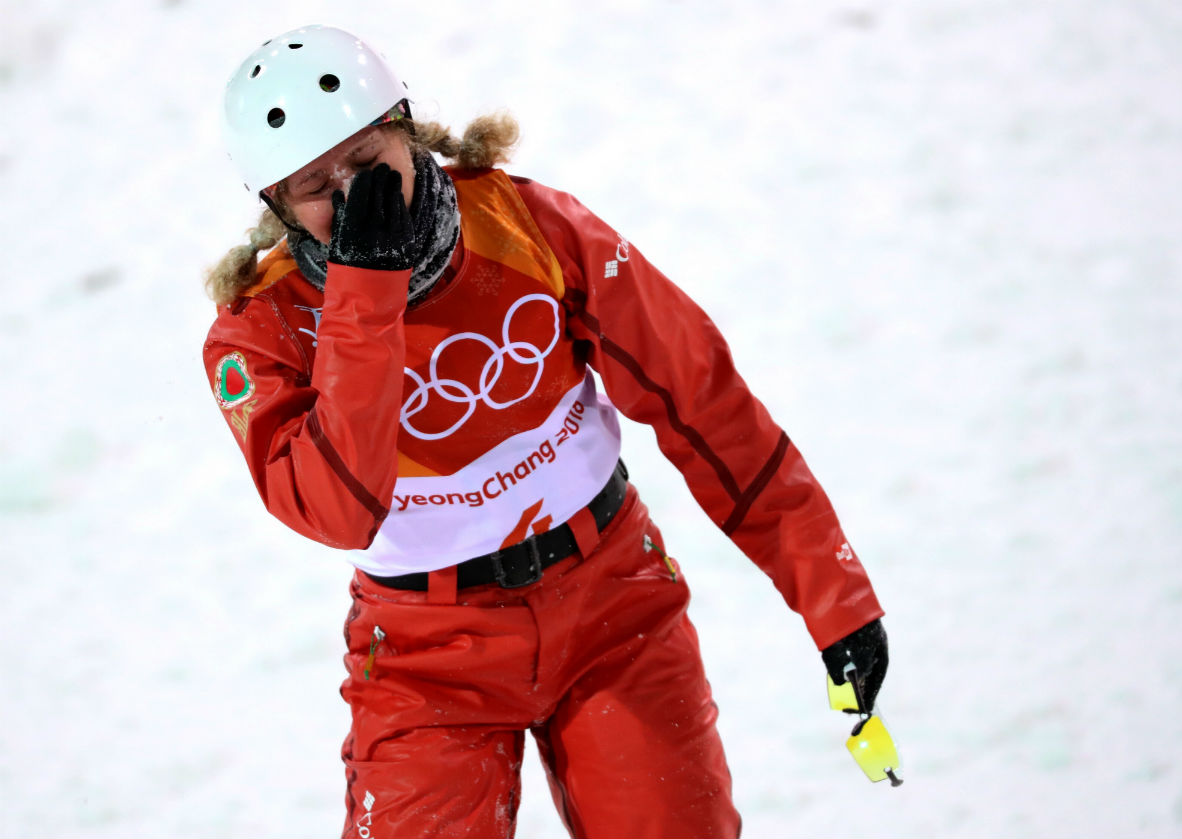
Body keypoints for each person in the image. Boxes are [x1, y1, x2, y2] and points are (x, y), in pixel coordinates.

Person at [204, 24, 889, 839]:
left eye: (367, 161)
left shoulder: (530, 225)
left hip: (613, 611)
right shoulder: (262, 333)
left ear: (407, 127)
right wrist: (365, 295)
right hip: (429, 657)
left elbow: (703, 401)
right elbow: (339, 509)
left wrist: (834, 600)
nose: (356, 197)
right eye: (319, 185)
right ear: (276, 206)